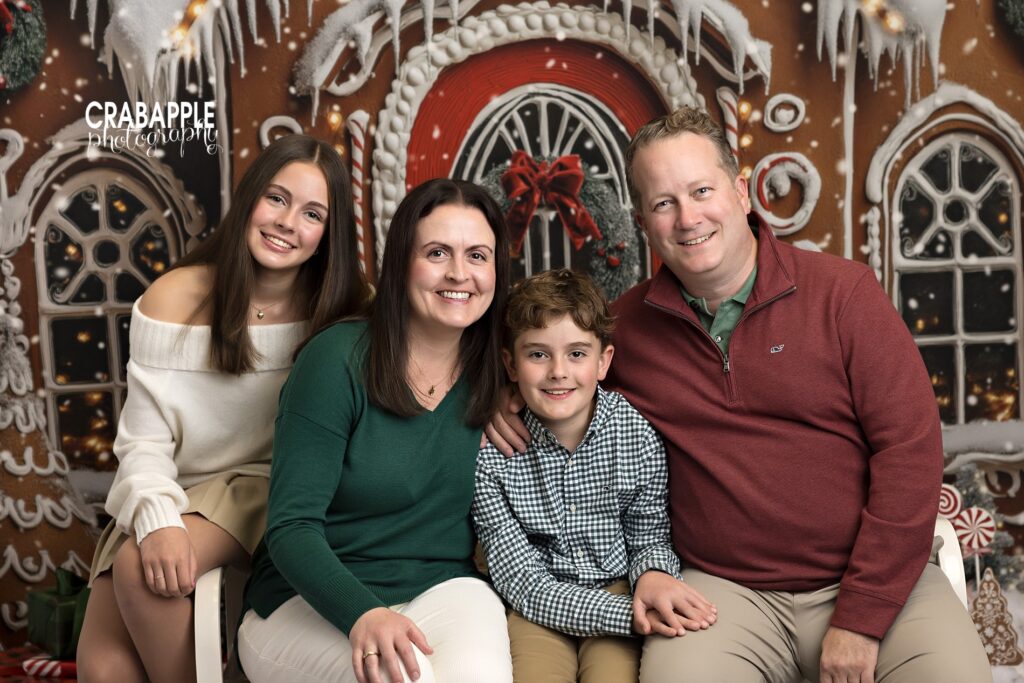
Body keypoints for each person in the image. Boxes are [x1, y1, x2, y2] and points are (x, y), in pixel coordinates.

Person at [486, 107, 992, 683]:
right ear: (644, 223)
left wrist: (863, 619)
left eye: (701, 191)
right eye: (663, 203)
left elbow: (909, 451)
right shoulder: (623, 329)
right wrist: (504, 399)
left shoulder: (844, 294)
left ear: (741, 191)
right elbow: (560, 372)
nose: (687, 218)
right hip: (724, 594)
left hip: (874, 582)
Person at [76, 134, 371, 683]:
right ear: (250, 198)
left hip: (266, 485)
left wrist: (497, 392)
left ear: (328, 234)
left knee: (142, 574)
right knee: (103, 671)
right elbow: (142, 442)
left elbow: (434, 341)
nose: (287, 222)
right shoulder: (173, 299)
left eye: (312, 213)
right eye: (277, 199)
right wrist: (158, 517)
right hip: (170, 487)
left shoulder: (346, 305)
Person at [239, 178, 514, 683]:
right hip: (308, 601)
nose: (460, 273)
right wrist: (362, 614)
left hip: (444, 588)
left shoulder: (501, 371)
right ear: (401, 263)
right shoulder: (337, 361)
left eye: (478, 255)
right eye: (436, 253)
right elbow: (290, 527)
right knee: (404, 681)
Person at [473, 268, 717, 683]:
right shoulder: (492, 454)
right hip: (536, 604)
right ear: (509, 365)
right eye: (537, 354)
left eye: (577, 354)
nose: (558, 372)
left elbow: (649, 538)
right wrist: (632, 615)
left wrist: (654, 578)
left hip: (617, 586)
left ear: (603, 361)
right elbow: (522, 581)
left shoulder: (636, 436)